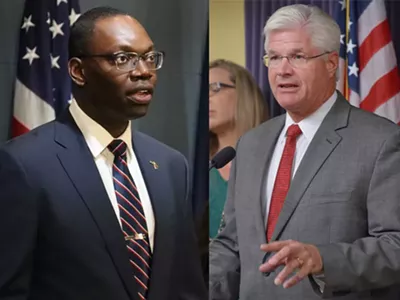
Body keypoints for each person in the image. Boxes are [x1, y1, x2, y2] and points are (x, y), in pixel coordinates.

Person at [0, 6, 206, 300]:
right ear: (78, 71)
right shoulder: (23, 165)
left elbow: (186, 286)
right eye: (123, 59)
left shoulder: (171, 165)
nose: (144, 71)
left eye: (149, 57)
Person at [210, 4, 400, 300]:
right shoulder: (251, 144)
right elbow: (231, 244)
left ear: (330, 64)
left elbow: (395, 245)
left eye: (297, 56)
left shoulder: (380, 141)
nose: (283, 69)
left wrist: (323, 259)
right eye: (274, 57)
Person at [209, 59, 268, 239]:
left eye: (215, 88)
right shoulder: (196, 168)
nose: (207, 97)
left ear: (244, 94)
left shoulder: (273, 163)